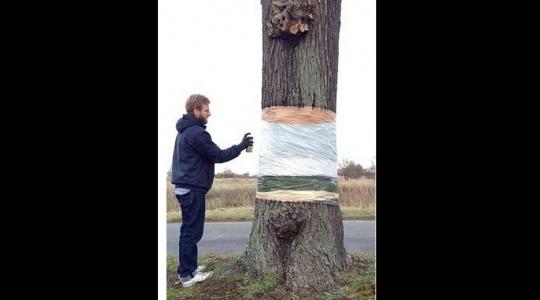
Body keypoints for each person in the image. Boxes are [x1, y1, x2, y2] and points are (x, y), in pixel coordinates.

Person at [171, 94, 253, 287]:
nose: (210, 114)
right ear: (196, 111)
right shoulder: (196, 133)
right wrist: (241, 146)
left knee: (189, 231)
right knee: (191, 232)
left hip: (187, 188)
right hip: (191, 190)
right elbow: (218, 155)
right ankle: (187, 276)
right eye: (206, 110)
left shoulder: (185, 131)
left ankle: (189, 268)